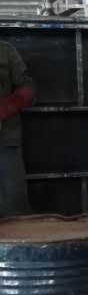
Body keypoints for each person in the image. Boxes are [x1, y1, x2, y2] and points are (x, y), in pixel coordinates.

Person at [0, 38, 33, 216]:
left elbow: (27, 90)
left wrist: (4, 109)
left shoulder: (5, 50)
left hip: (5, 141)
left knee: (14, 209)